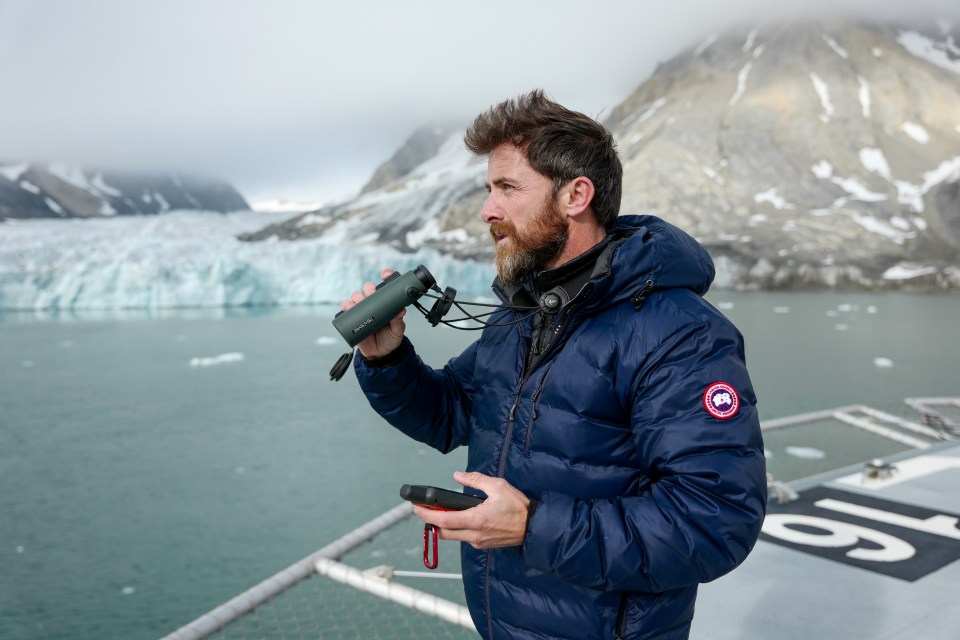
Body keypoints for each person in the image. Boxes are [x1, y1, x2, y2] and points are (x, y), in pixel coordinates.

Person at [341, 90, 767, 640]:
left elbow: (714, 520)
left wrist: (532, 525)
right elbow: (452, 413)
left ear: (576, 196)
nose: (487, 209)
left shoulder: (678, 333)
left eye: (507, 188)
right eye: (488, 189)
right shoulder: (523, 315)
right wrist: (387, 357)